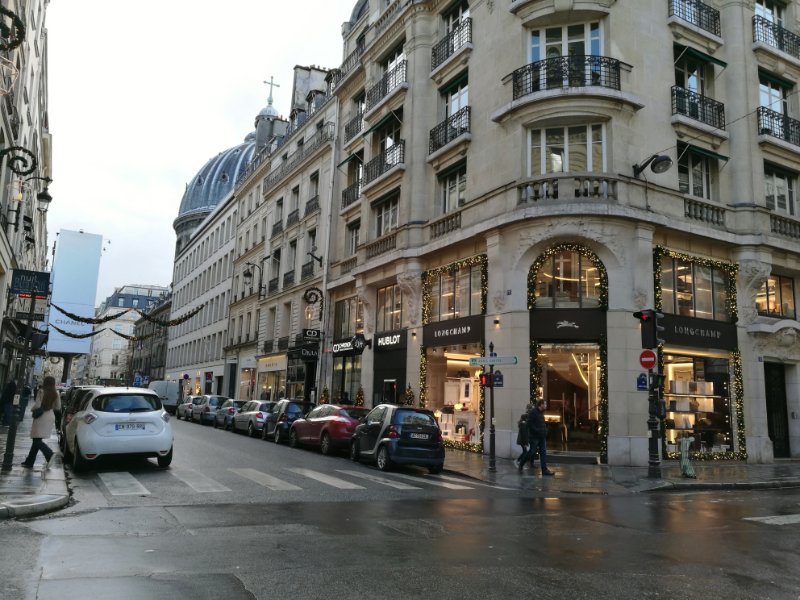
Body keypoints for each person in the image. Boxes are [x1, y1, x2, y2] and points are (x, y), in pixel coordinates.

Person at [21, 376, 60, 469]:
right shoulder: (56, 393)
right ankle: (30, 461)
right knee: (36, 439)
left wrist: (32, 409)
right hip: (50, 416)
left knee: (36, 439)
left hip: (41, 417)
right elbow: (58, 407)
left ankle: (49, 454)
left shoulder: (41, 391)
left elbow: (38, 405)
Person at [527, 400, 555, 476]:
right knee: (532, 451)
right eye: (545, 404)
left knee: (543, 453)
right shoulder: (533, 412)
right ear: (541, 405)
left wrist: (545, 430)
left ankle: (544, 469)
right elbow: (529, 423)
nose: (546, 405)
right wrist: (537, 430)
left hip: (542, 436)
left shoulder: (541, 413)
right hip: (535, 436)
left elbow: (542, 424)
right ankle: (522, 462)